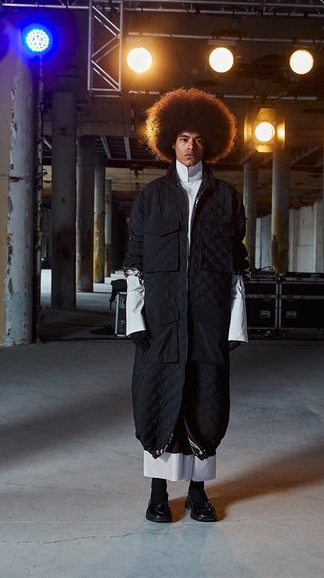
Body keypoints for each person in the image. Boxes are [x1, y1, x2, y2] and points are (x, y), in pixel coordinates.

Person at [123, 87, 248, 523]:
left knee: (204, 399)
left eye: (197, 139)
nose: (190, 146)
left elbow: (236, 266)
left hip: (208, 320)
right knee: (157, 397)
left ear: (208, 144)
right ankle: (158, 493)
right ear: (169, 142)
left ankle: (197, 492)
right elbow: (135, 262)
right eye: (182, 139)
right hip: (161, 320)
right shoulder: (152, 197)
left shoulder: (226, 198)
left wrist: (235, 325)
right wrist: (135, 320)